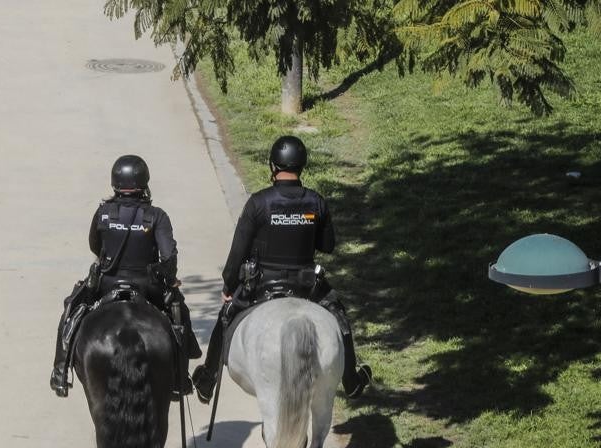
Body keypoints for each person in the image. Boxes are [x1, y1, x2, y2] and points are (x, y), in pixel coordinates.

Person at [190, 135, 372, 403]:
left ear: (273, 165)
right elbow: (328, 245)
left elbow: (237, 253)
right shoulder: (316, 202)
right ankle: (352, 380)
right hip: (306, 284)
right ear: (302, 165)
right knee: (339, 317)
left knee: (226, 317)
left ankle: (208, 378)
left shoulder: (258, 203)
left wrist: (229, 286)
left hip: (261, 284)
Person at [49, 155, 200, 399]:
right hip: (147, 286)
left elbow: (94, 246)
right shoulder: (157, 216)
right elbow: (168, 257)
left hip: (107, 282)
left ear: (115, 183)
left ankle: (59, 371)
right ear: (144, 182)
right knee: (179, 312)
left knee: (71, 308)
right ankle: (180, 378)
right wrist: (169, 279)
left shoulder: (103, 213)